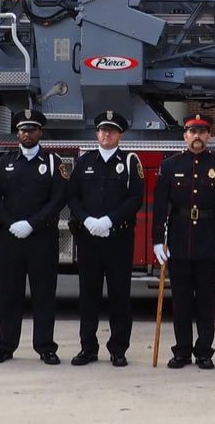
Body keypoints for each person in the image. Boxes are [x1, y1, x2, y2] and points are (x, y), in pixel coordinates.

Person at [152, 113, 215, 369]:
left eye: (202, 131)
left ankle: (204, 352)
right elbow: (160, 206)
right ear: (185, 135)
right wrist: (157, 240)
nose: (197, 136)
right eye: (192, 131)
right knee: (181, 301)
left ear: (209, 136)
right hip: (179, 239)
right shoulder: (170, 165)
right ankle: (182, 351)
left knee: (206, 301)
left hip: (209, 240)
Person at [0, 109, 68, 365]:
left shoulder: (53, 162)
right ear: (17, 134)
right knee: (9, 295)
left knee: (44, 295)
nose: (27, 134)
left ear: (40, 133)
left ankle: (45, 347)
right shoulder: (5, 161)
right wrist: (11, 223)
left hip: (42, 238)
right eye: (22, 130)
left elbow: (58, 199)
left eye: (31, 130)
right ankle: (5, 346)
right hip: (10, 238)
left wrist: (32, 224)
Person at [65, 110, 144, 367]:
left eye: (112, 131)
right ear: (96, 134)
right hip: (89, 238)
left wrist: (110, 220)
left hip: (118, 238)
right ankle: (87, 348)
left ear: (120, 135)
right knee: (88, 295)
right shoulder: (85, 161)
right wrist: (87, 220)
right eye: (102, 130)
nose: (106, 134)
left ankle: (118, 349)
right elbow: (72, 195)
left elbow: (136, 198)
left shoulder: (130, 162)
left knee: (119, 294)